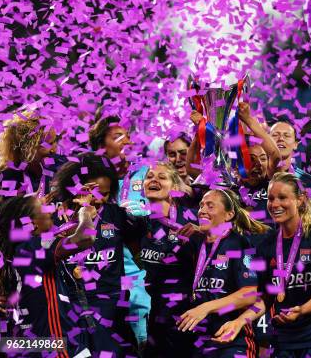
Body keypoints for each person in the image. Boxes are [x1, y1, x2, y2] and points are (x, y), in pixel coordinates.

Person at [46, 153, 143, 356]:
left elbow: (136, 251)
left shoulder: (117, 215)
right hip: (68, 309)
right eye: (93, 191)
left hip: (111, 309)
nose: (99, 199)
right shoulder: (52, 219)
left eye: (105, 193)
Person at [257, 172, 311, 358]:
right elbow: (265, 297)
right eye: (271, 198)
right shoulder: (266, 244)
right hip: (283, 340)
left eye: (282, 198)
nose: (274, 204)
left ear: (300, 199)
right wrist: (240, 321)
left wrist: (301, 310)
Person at [0, 195, 96, 357]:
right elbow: (86, 237)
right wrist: (85, 213)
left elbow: (64, 233)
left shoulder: (15, 253)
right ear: (31, 223)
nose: (49, 209)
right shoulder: (35, 247)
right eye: (42, 208)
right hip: (55, 347)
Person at [89, 113, 151, 346]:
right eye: (118, 137)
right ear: (99, 147)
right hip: (108, 287)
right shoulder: (89, 183)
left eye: (128, 136)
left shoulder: (147, 174)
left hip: (145, 280)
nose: (127, 141)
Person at [125, 162, 199, 357]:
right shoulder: (143, 224)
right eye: (149, 176)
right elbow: (137, 252)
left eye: (162, 177)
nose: (154, 180)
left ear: (174, 188)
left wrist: (200, 234)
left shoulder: (190, 220)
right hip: (156, 312)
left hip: (186, 313)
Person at [177, 189, 260, 358]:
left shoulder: (240, 244)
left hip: (232, 338)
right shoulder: (196, 243)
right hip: (200, 340)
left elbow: (250, 294)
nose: (203, 210)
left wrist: (205, 308)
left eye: (210, 206)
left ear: (228, 215)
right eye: (201, 205)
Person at [0, 111, 65, 199]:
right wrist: (33, 206)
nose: (54, 149)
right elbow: (10, 211)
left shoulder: (59, 164)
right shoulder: (7, 177)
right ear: (28, 148)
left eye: (55, 141)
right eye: (49, 144)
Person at [270, 121, 311, 188]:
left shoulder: (310, 183)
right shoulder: (255, 176)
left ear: (295, 144)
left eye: (287, 135)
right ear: (267, 141)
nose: (281, 139)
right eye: (275, 135)